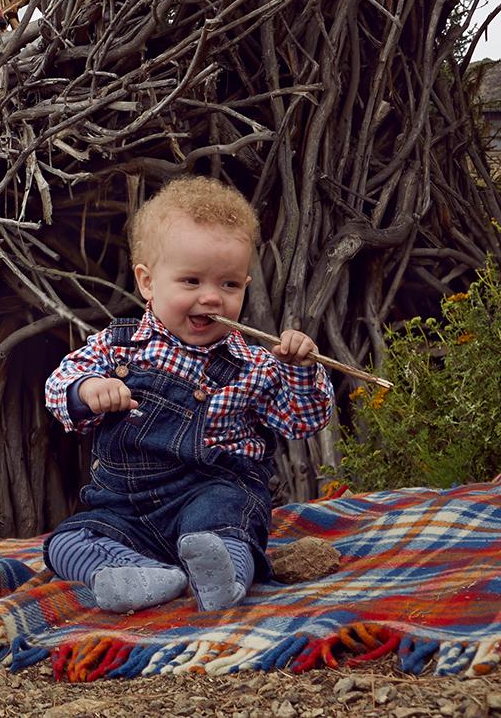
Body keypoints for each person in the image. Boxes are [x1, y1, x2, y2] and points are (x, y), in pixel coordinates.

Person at [39, 176, 334, 613]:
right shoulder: (116, 347)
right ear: (148, 282)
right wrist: (89, 389)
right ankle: (139, 573)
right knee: (66, 542)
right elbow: (58, 386)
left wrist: (303, 372)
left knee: (224, 526)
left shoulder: (255, 364)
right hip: (125, 506)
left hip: (211, 495)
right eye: (191, 281)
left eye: (229, 285)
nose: (211, 298)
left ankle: (223, 577)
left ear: (245, 285)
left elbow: (303, 421)